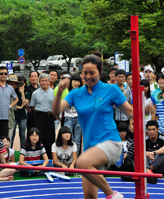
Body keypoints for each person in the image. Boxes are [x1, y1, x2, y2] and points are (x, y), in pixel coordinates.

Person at [52, 54, 133, 199]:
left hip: (110, 141)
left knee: (81, 162)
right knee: (89, 195)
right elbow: (56, 111)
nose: (88, 76)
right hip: (90, 146)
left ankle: (112, 194)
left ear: (100, 72)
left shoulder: (111, 90)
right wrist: (58, 93)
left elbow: (130, 112)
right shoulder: (76, 93)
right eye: (85, 73)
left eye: (92, 73)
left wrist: (146, 110)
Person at [29, 73, 55, 159]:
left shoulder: (54, 92)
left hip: (49, 117)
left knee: (50, 137)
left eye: (46, 81)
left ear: (49, 81)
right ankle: (38, 158)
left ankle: (50, 159)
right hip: (38, 117)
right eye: (42, 81)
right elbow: (33, 106)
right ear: (39, 82)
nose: (44, 82)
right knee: (38, 137)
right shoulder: (35, 93)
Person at [64, 74, 83, 155]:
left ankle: (76, 160)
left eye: (78, 82)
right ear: (71, 82)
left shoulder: (82, 92)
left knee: (77, 140)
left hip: (78, 118)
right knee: (68, 139)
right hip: (68, 117)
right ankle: (69, 158)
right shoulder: (66, 92)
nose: (76, 83)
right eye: (75, 81)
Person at [12, 76, 30, 149]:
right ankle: (9, 153)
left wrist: (22, 93)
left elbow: (25, 103)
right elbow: (10, 104)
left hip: (23, 116)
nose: (22, 85)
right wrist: (19, 107)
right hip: (13, 116)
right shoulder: (13, 92)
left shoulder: (27, 93)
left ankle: (23, 153)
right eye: (20, 82)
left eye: (24, 83)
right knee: (11, 135)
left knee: (22, 135)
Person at [6, 74, 22, 146]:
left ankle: (8, 155)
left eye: (14, 84)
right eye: (11, 83)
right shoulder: (4, 92)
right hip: (2, 119)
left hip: (11, 118)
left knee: (9, 138)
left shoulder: (16, 94)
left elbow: (14, 107)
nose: (13, 85)